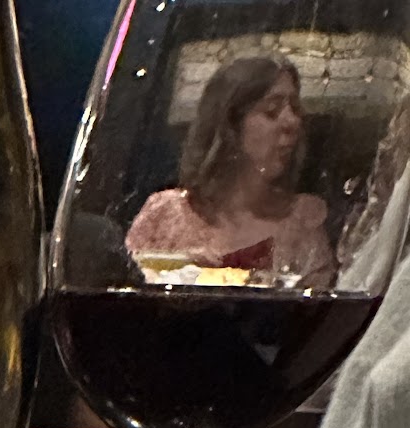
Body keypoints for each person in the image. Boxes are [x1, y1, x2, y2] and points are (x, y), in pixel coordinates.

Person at [126, 56, 334, 284]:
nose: (292, 122)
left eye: (295, 109)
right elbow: (124, 287)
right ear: (229, 126)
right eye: (272, 110)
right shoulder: (164, 214)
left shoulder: (302, 221)